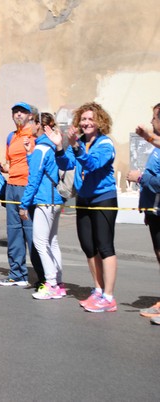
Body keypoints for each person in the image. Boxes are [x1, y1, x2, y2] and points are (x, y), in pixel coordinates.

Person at [48, 102, 118, 313]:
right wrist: (60, 147)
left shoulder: (105, 144)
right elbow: (66, 164)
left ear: (100, 122)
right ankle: (98, 290)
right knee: (89, 247)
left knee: (105, 247)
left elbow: (92, 164)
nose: (86, 123)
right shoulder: (80, 143)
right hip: (84, 199)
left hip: (103, 198)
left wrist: (76, 147)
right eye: (83, 119)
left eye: (90, 119)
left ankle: (109, 296)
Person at [0, 103, 44, 287]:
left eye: (22, 111)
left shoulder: (36, 136)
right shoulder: (11, 137)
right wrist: (1, 167)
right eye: (15, 111)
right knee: (13, 232)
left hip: (28, 187)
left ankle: (43, 278)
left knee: (32, 234)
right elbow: (11, 165)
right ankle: (17, 274)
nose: (18, 114)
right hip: (12, 187)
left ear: (31, 116)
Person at [20, 112, 66, 299]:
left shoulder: (42, 148)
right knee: (52, 242)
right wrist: (30, 153)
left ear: (38, 125)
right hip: (56, 200)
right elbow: (44, 169)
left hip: (45, 200)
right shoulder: (51, 147)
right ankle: (59, 283)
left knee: (39, 242)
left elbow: (34, 179)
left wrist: (24, 205)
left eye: (31, 121)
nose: (28, 124)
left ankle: (51, 284)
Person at [126, 103, 160, 322]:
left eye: (155, 117)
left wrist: (140, 178)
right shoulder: (157, 148)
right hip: (155, 212)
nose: (151, 121)